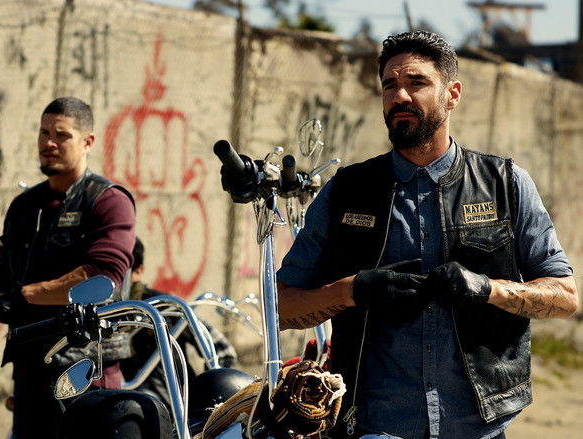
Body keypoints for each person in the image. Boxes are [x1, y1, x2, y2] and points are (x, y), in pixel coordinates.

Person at [274, 31, 579, 439]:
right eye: (389, 85)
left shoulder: (505, 183)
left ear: (452, 94)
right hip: (374, 427)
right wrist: (352, 290)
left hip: (479, 428)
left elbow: (565, 297)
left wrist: (488, 289)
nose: (400, 96)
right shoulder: (346, 191)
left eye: (416, 82)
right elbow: (281, 308)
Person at [0, 97, 136, 438]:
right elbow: (2, 273)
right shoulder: (25, 206)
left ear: (88, 142)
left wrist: (21, 297)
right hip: (29, 367)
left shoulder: (109, 201)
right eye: (44, 132)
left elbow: (102, 278)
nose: (49, 142)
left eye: (61, 135)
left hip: (85, 369)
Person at [122, 237, 237, 408]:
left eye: (118, 271)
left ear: (138, 271)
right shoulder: (93, 314)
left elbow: (223, 351)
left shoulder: (164, 308)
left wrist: (207, 396)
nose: (111, 280)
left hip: (178, 410)